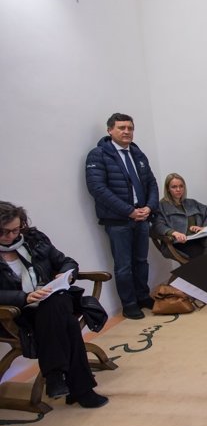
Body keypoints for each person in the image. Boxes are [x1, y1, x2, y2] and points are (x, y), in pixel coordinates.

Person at [0, 202, 108, 408]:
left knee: (54, 302)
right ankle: (81, 389)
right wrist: (24, 297)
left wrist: (66, 275)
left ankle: (55, 375)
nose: (11, 236)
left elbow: (67, 262)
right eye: (4, 232)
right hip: (16, 314)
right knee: (67, 324)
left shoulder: (34, 240)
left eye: (15, 229)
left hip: (52, 303)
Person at [85, 112, 159, 320]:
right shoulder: (99, 154)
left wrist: (149, 207)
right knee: (124, 265)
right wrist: (129, 211)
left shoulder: (137, 153)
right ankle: (129, 304)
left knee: (141, 261)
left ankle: (143, 296)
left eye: (130, 128)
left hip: (142, 217)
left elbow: (151, 183)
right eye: (122, 128)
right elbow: (98, 189)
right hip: (118, 220)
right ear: (110, 130)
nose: (127, 132)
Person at [151, 173, 207, 259]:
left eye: (181, 186)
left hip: (198, 238)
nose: (178, 189)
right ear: (168, 189)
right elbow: (157, 225)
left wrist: (203, 227)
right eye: (174, 187)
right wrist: (174, 233)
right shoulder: (161, 206)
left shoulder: (191, 203)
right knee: (205, 254)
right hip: (179, 243)